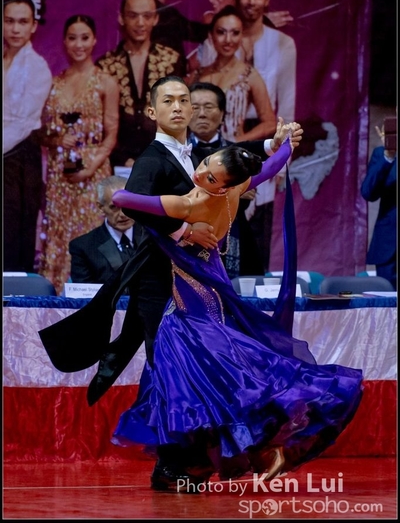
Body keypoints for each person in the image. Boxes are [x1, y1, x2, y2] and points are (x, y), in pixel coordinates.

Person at [38, 75, 303, 492]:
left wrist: (274, 145)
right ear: (152, 111)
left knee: (200, 365)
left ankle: (200, 458)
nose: (178, 107)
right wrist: (183, 232)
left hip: (197, 280)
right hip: (158, 281)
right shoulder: (152, 158)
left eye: (183, 100)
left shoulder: (196, 155)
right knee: (170, 368)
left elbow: (235, 162)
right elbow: (132, 204)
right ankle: (173, 465)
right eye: (168, 101)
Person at [109, 124, 363, 489]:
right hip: (213, 295)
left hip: (189, 308)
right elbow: (273, 165)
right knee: (220, 378)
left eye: (211, 176)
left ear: (223, 186)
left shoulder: (189, 203)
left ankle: (250, 453)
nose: (200, 173)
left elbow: (121, 198)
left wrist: (176, 227)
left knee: (197, 380)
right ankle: (256, 453)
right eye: (205, 163)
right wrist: (284, 146)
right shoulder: (237, 189)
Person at [38, 14, 119, 295]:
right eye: (72, 38)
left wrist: (91, 166)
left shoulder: (105, 82)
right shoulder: (54, 83)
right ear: (64, 41)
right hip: (60, 173)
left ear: (94, 40)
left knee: (90, 233)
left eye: (84, 38)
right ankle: (55, 298)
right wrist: (57, 139)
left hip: (94, 171)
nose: (79, 44)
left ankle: (95, 299)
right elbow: (40, 132)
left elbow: (112, 133)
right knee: (58, 234)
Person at [237, 0, 298, 272]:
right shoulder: (223, 37)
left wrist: (284, 155)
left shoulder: (282, 43)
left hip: (266, 135)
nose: (251, 1)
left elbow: (287, 102)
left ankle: (254, 291)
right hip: (227, 137)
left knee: (258, 218)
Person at [97, 0, 186, 169]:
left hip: (161, 164)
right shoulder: (105, 66)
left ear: (156, 19)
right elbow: (99, 124)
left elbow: (179, 118)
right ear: (121, 18)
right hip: (116, 165)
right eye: (133, 16)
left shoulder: (171, 61)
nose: (140, 23)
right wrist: (123, 159)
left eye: (147, 16)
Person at [189, 80, 268, 277]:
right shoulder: (176, 155)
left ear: (222, 113)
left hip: (235, 232)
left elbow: (247, 197)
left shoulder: (239, 155)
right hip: (190, 235)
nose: (202, 114)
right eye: (195, 107)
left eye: (209, 107)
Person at [3, 0, 52, 272]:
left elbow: (22, 123)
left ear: (34, 26)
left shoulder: (37, 67)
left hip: (20, 157)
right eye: (9, 21)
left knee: (13, 231)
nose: (15, 29)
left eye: (22, 22)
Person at [186, 5, 277, 143]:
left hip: (231, 153)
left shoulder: (249, 76)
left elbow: (270, 123)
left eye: (235, 33)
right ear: (211, 35)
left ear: (242, 36)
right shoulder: (198, 75)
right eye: (221, 32)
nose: (228, 40)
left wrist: (237, 141)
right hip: (197, 153)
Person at [69, 176, 135, 285]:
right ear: (101, 207)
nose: (123, 214)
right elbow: (84, 292)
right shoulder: (83, 247)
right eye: (114, 207)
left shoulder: (153, 237)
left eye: (127, 205)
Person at [360, 123, 397, 290]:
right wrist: (388, 157)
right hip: (390, 247)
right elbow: (368, 192)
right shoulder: (382, 154)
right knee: (388, 303)